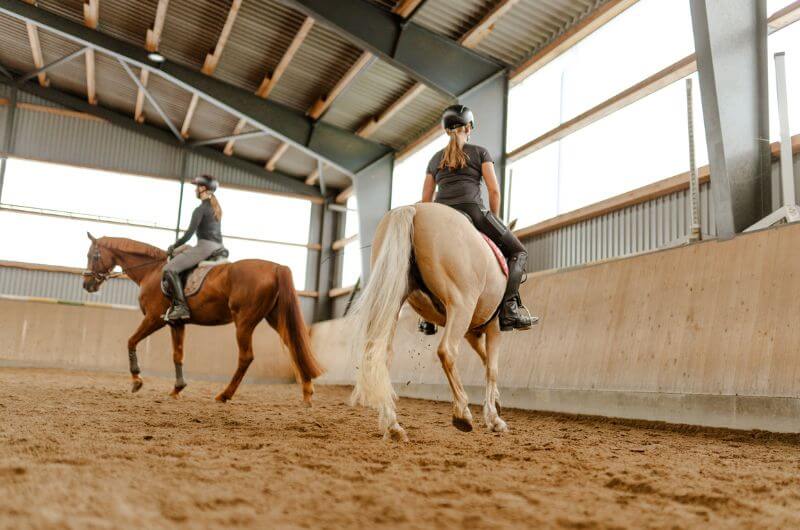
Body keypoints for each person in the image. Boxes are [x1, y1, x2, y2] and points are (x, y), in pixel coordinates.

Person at [421, 104, 537, 331]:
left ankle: (426, 317)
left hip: (440, 215)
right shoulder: (480, 152)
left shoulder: (435, 160)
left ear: (446, 131)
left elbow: (425, 200)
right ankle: (509, 310)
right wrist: (495, 218)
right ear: (469, 127)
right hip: (473, 212)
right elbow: (494, 191)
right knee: (518, 251)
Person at [162, 175, 224, 321]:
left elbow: (189, 234)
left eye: (197, 187)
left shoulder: (200, 209)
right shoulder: (215, 208)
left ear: (203, 188)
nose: (195, 190)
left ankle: (181, 307)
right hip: (217, 246)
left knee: (169, 269)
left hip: (205, 247)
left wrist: (174, 246)